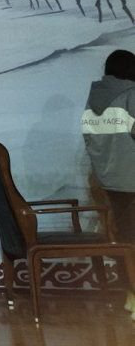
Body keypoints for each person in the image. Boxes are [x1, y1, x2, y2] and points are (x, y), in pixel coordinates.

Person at [81, 48, 135, 316]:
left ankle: (130, 297)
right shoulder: (131, 95)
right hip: (133, 180)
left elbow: (90, 141)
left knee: (126, 240)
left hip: (111, 183)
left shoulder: (92, 101)